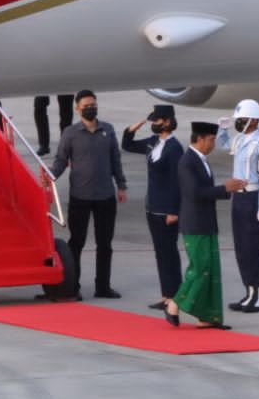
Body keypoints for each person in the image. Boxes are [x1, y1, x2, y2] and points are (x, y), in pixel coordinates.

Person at [46, 89, 127, 299]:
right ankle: (74, 286)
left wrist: (121, 184)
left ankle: (103, 286)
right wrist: (50, 176)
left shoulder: (107, 130)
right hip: (80, 197)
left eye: (93, 104)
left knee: (105, 244)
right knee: (77, 243)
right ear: (77, 108)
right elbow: (61, 161)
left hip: (105, 196)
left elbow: (115, 160)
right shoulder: (70, 133)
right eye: (87, 106)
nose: (91, 108)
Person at [165, 122, 242, 328]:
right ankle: (174, 304)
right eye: (211, 139)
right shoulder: (187, 162)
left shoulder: (201, 160)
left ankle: (207, 316)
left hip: (207, 222)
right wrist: (225, 189)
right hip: (195, 223)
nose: (213, 143)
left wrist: (225, 189)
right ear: (199, 139)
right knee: (200, 269)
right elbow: (194, 193)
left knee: (211, 270)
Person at [123, 104, 185, 309]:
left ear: (167, 122)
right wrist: (132, 129)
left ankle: (175, 295)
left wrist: (174, 211)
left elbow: (177, 182)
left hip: (166, 209)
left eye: (157, 121)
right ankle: (166, 294)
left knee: (169, 252)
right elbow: (128, 145)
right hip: (152, 206)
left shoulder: (175, 148)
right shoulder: (153, 142)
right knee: (160, 252)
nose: (154, 124)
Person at [218, 98, 259, 313]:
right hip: (239, 198)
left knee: (253, 248)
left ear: (253, 120)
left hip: (253, 198)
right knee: (241, 247)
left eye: (241, 119)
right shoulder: (241, 140)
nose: (238, 123)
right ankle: (248, 292)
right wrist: (222, 130)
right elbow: (224, 145)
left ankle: (258, 295)